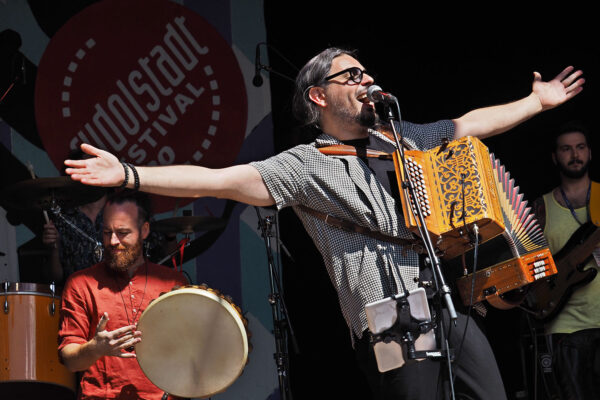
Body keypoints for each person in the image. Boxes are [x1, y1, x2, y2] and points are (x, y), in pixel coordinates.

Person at [64, 48, 584, 399]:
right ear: (319, 95)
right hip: (388, 319)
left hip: (448, 301)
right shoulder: (306, 164)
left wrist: (536, 102)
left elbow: (468, 123)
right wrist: (129, 173)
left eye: (367, 74)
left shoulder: (401, 138)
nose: (367, 81)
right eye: (352, 76)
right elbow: (216, 178)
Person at [58, 190, 188, 400]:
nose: (112, 241)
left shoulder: (173, 283)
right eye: (107, 232)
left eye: (123, 232)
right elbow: (69, 360)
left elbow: (191, 351)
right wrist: (95, 348)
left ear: (144, 230)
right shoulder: (81, 283)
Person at [532, 121, 599, 399]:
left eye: (580, 147)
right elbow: (531, 267)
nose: (575, 155)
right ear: (555, 157)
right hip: (564, 327)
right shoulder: (541, 208)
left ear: (590, 153)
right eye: (566, 149)